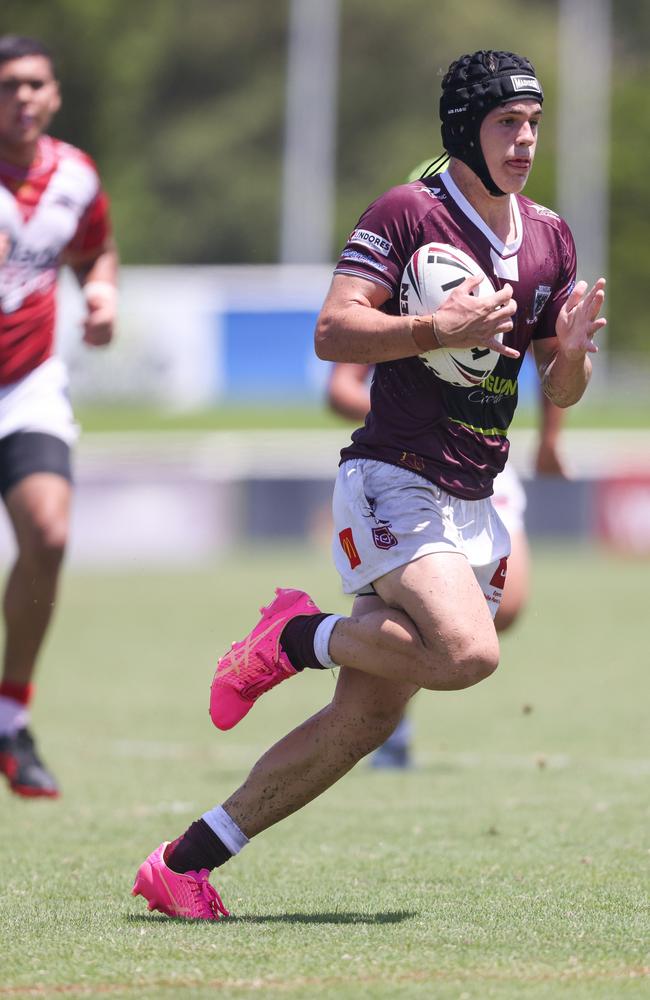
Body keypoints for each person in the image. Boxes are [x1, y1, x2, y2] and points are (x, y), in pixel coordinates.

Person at [133, 48, 605, 919]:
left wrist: (570, 361)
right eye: (508, 122)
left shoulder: (550, 236)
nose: (526, 139)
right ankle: (299, 635)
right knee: (469, 654)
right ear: (465, 127)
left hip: (474, 500)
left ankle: (182, 862)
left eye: (534, 122)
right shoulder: (407, 212)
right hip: (395, 476)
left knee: (363, 723)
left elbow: (559, 386)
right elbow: (332, 332)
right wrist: (435, 326)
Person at [327, 361, 566, 767]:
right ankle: (383, 715)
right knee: (433, 613)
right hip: (409, 464)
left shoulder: (528, 296)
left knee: (503, 609)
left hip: (482, 463)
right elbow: (340, 388)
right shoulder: (401, 297)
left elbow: (553, 354)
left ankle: (379, 691)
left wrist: (549, 438)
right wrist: (411, 412)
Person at [0, 36, 118, 797]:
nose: (21, 98)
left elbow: (95, 251)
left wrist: (102, 293)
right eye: (7, 86)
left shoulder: (75, 176)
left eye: (33, 84)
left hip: (27, 385)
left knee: (49, 532)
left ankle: (10, 717)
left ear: (55, 95)